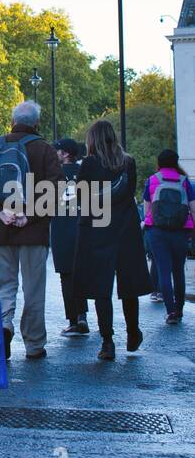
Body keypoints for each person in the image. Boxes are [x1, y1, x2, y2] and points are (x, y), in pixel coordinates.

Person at [0, 101, 63, 362]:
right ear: (37, 123)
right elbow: (56, 189)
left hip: (0, 229)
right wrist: (31, 215)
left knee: (4, 285)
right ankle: (34, 344)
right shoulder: (45, 149)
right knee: (33, 289)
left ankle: (4, 326)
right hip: (33, 232)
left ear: (12, 120)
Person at [73, 120, 150, 360]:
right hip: (125, 230)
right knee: (129, 285)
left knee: (100, 287)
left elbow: (82, 197)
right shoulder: (128, 162)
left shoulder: (89, 163)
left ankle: (107, 341)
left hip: (98, 229)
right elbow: (130, 194)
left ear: (92, 139)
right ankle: (133, 331)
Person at [142, 149, 195, 324]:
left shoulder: (152, 180)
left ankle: (170, 311)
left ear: (159, 162)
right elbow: (192, 208)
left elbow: (147, 210)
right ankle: (179, 310)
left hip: (157, 231)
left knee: (164, 270)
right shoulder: (184, 181)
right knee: (178, 270)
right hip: (180, 230)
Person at [52, 138, 89, 336]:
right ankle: (83, 315)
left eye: (57, 150)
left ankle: (74, 321)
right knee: (83, 273)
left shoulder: (54, 175)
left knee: (67, 277)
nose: (54, 153)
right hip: (84, 228)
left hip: (62, 229)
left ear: (65, 153)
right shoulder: (86, 173)